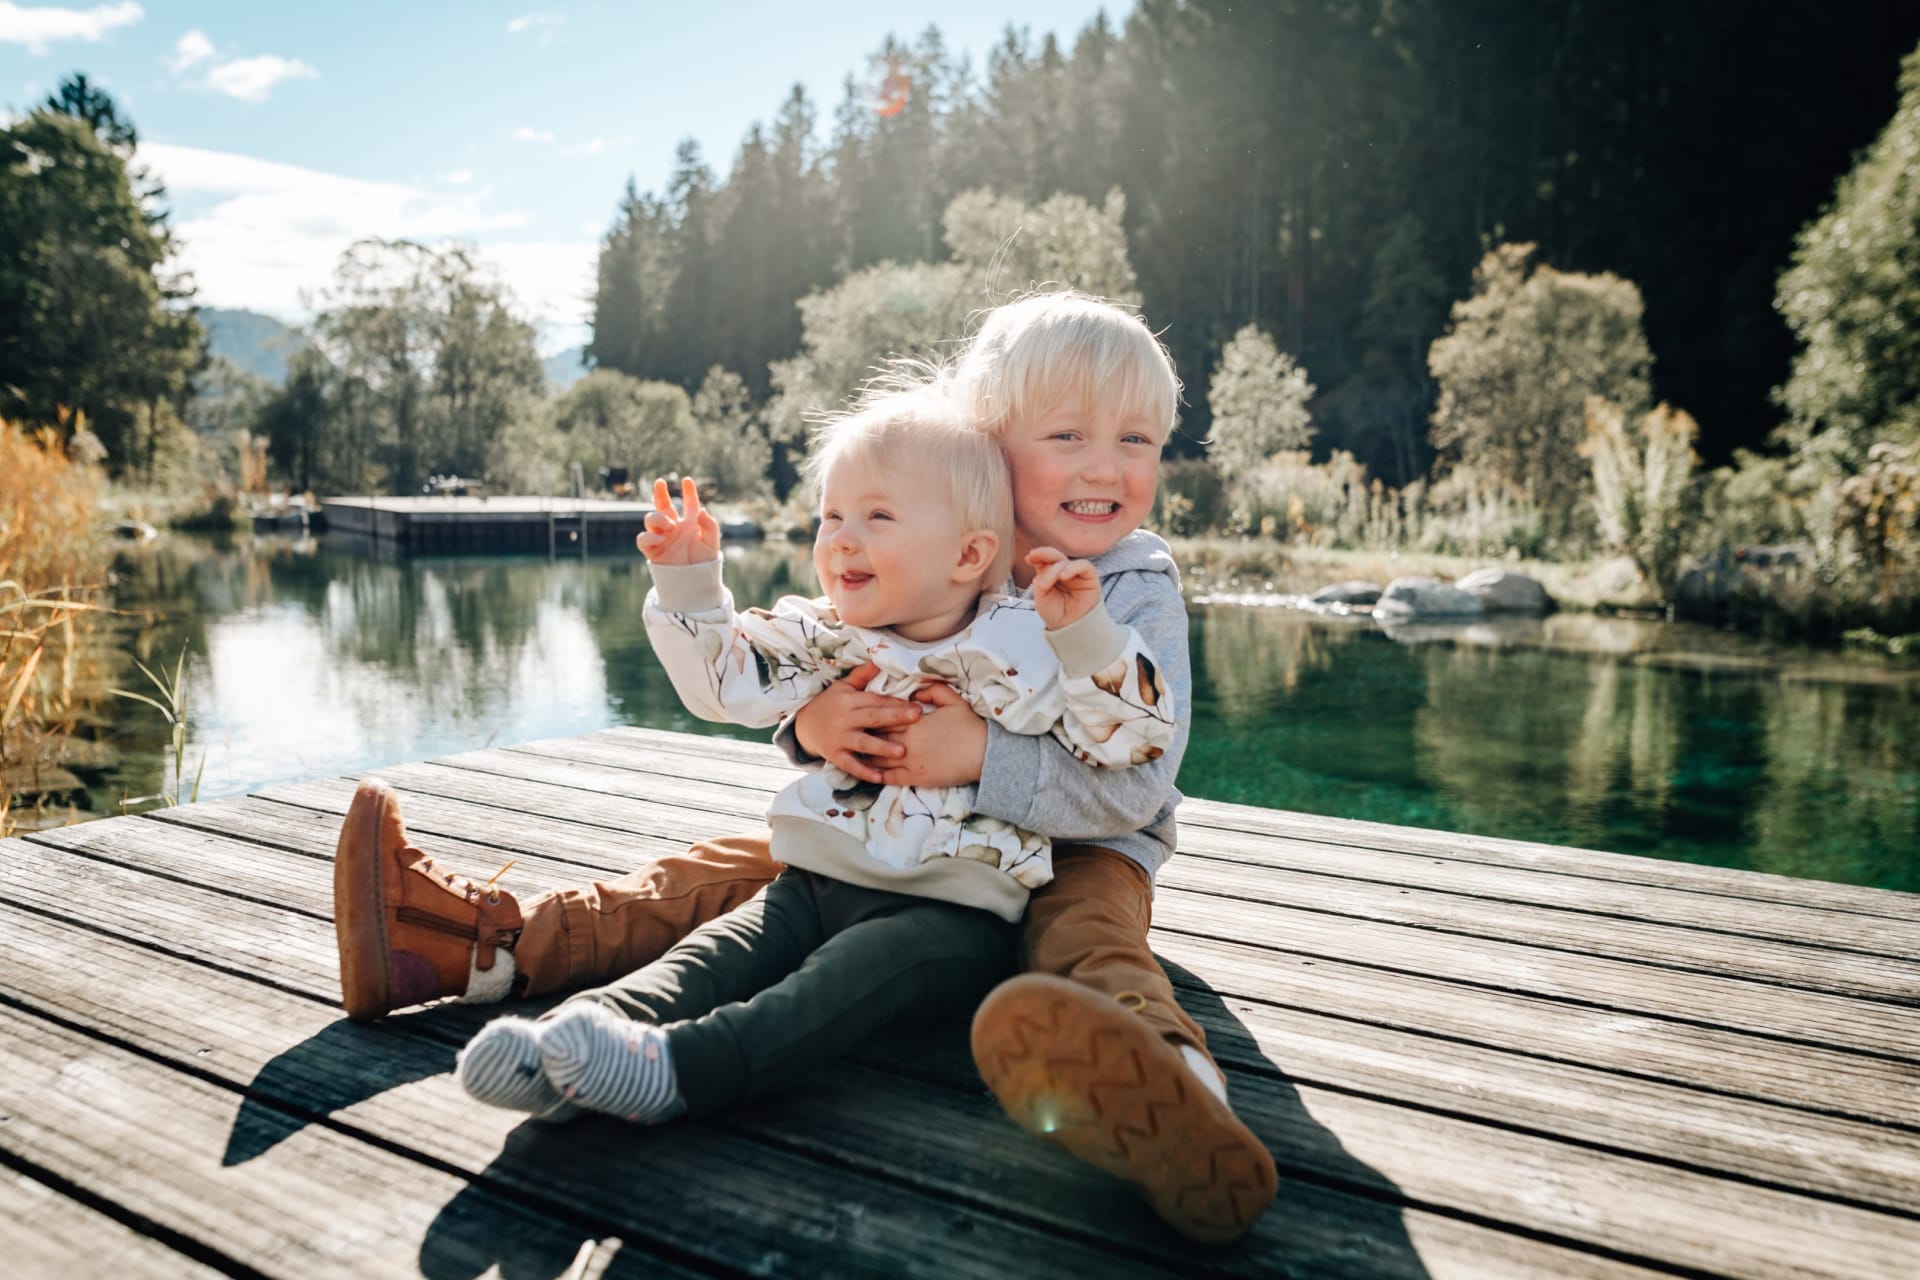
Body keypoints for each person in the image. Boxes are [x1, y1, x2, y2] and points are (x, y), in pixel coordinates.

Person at [330, 291, 1278, 1243]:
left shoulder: (1130, 588)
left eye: (1138, 441)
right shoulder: (928, 543)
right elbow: (812, 666)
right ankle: (478, 945)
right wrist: (817, 726)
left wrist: (981, 753)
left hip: (1082, 850)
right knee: (721, 879)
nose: (1105, 466)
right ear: (986, 447)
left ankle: (1176, 1093)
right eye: (1068, 435)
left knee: (1088, 940)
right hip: (894, 833)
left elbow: (1139, 781)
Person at [445, 387, 1173, 1129]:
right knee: (711, 956)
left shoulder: (1025, 644)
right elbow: (725, 682)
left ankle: (680, 1071)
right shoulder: (825, 635)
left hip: (950, 914)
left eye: (877, 517)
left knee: (826, 989)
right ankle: (567, 1047)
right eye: (831, 516)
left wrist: (1088, 638)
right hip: (814, 880)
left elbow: (1130, 740)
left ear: (969, 554)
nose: (842, 540)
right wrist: (690, 582)